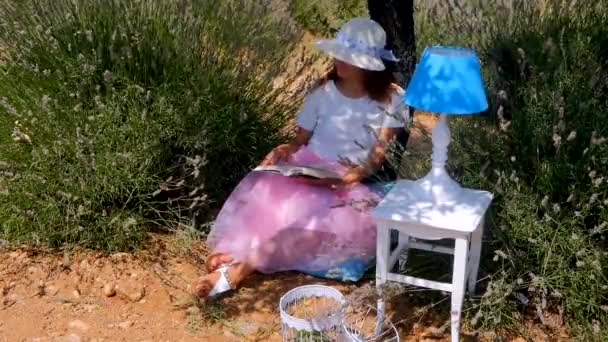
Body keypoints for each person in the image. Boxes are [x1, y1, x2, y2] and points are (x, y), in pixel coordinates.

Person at [192, 17, 410, 299]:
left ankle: (235, 272)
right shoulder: (322, 92)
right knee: (276, 211)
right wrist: (283, 151)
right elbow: (299, 141)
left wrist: (347, 177)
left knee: (300, 224)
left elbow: (377, 157)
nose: (337, 60)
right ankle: (236, 258)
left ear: (367, 65)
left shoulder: (392, 99)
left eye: (348, 56)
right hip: (308, 168)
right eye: (337, 52)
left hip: (350, 180)